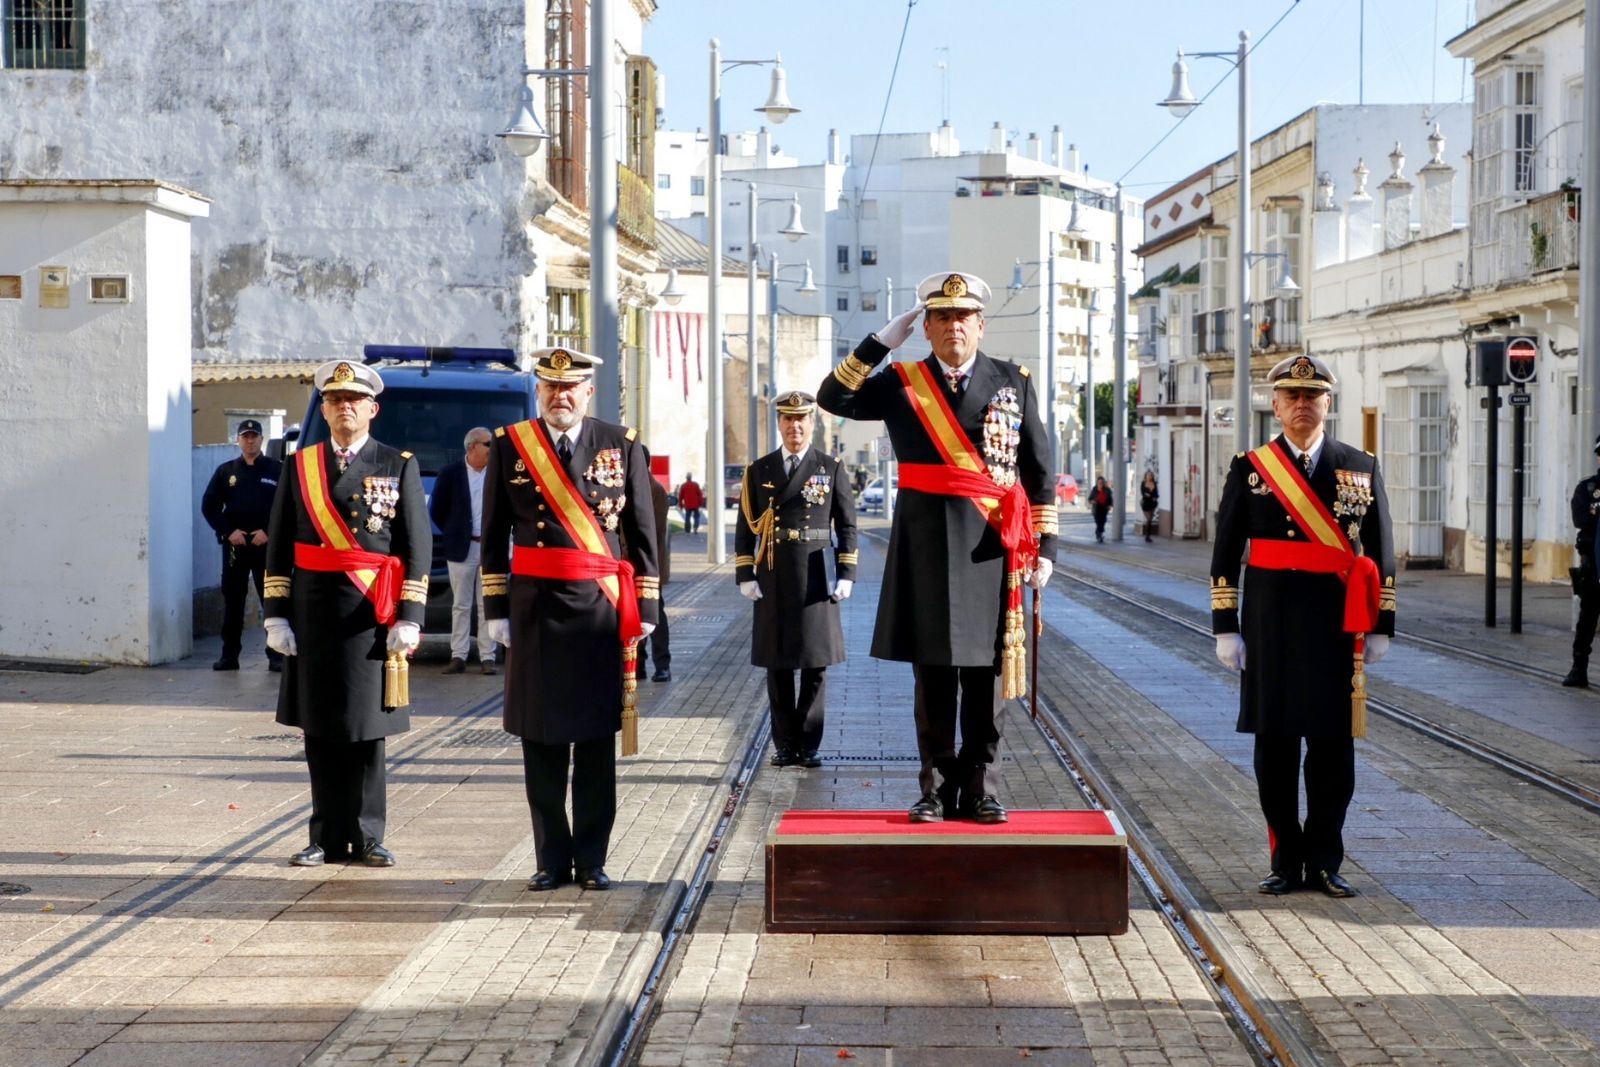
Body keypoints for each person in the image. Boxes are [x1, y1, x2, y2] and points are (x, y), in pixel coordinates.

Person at [817, 272, 1055, 825]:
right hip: (923, 545)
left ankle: (980, 789)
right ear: (925, 327)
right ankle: (933, 788)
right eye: (942, 318)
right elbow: (833, 397)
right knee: (932, 679)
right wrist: (880, 341)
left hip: (991, 547)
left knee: (986, 678)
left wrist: (1046, 549)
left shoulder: (1011, 382)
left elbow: (1039, 470)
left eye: (963, 317)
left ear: (980, 326)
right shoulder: (903, 381)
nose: (954, 327)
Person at [1210, 353, 1396, 898]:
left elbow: (1382, 551)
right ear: (1276, 405)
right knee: (1275, 751)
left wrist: (1382, 623)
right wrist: (1227, 624)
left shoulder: (1359, 465)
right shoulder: (1250, 469)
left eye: (1312, 397)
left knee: (1334, 751)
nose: (1301, 406)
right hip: (1269, 627)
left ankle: (1325, 860)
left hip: (1337, 630)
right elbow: (1226, 552)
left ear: (1327, 405)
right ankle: (1285, 861)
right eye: (1291, 397)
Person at [480, 348, 659, 892]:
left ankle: (592, 861)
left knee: (595, 741)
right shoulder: (511, 445)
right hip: (534, 609)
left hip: (598, 611)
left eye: (570, 387)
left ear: (588, 393)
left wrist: (646, 606)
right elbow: (492, 535)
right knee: (540, 741)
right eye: (550, 386)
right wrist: (496, 609)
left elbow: (642, 530)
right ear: (539, 390)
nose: (560, 396)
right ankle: (550, 861)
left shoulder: (620, 444)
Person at [263, 360, 431, 867]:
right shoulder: (300, 465)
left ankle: (369, 834)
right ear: (325, 409)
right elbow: (280, 546)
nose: (344, 408)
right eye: (335, 401)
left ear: (372, 409)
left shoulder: (396, 463)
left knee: (365, 731)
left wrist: (411, 615)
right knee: (319, 730)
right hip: (313, 615)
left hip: (370, 616)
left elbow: (415, 546)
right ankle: (325, 837)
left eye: (354, 400)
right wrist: (275, 614)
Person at [735, 390, 859, 769]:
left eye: (802, 419)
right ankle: (784, 744)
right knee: (778, 664)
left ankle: (808, 743)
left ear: (812, 423)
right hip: (773, 572)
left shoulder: (830, 467)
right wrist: (744, 572)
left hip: (816, 573)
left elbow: (848, 524)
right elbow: (746, 526)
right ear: (780, 424)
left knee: (814, 663)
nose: (795, 426)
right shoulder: (761, 469)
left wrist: (847, 573)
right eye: (788, 420)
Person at [201, 419, 284, 672]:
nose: (250, 441)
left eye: (254, 436)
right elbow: (209, 506)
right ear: (238, 440)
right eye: (245, 436)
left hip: (265, 546)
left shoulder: (276, 469)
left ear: (262, 439)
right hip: (236, 546)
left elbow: (288, 506)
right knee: (233, 601)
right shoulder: (226, 471)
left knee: (272, 600)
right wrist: (228, 531)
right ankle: (229, 656)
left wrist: (269, 532)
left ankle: (276, 655)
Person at [430, 427, 497, 676]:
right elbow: (437, 509)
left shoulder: (496, 473)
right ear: (472, 447)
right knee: (461, 604)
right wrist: (453, 531)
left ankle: (487, 657)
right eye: (488, 444)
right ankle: (458, 655)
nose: (492, 448)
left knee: (487, 603)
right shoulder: (450, 473)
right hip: (461, 548)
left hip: (489, 548)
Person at [1563, 433, 1600, 687]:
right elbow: (1581, 519)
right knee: (1587, 618)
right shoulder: (1587, 488)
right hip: (1593, 565)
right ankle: (1579, 668)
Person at [634, 449, 673, 683]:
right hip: (630, 565)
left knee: (655, 614)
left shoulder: (655, 490)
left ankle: (662, 665)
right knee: (633, 615)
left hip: (650, 566)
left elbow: (651, 532)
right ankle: (638, 663)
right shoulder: (629, 487)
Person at [1089, 476, 1113, 542]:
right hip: (1096, 508)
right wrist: (1092, 501)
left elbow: (1110, 499)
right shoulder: (1094, 489)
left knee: (1103, 522)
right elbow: (1090, 498)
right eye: (1099, 483)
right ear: (1097, 483)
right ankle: (1100, 534)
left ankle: (1098, 533)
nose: (1100, 484)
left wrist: (1110, 505)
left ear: (1103, 483)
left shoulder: (1107, 490)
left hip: (1104, 508)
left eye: (1101, 483)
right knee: (1098, 522)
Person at [1138, 471, 1160, 543]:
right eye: (1148, 475)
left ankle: (1148, 535)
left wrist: (1155, 497)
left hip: (1152, 503)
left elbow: (1156, 493)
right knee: (1149, 519)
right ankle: (1147, 535)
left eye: (1151, 475)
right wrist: (1146, 495)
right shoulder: (1143, 483)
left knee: (1150, 520)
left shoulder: (1154, 483)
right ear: (1146, 476)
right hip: (1145, 503)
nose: (1150, 476)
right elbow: (1142, 492)